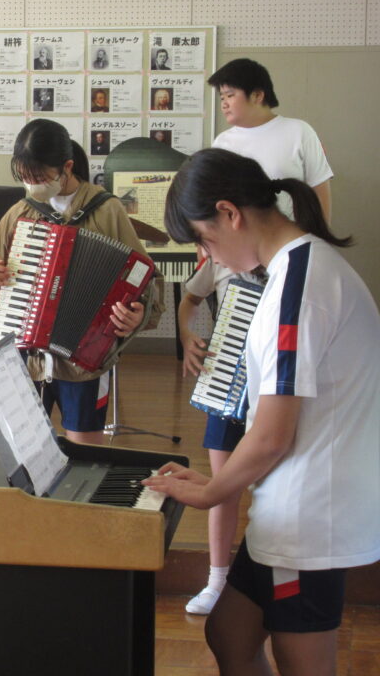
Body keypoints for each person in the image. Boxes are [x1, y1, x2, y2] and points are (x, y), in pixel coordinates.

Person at [146, 148, 379, 676]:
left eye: (204, 240)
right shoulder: (295, 268)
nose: (208, 256)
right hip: (291, 503)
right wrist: (216, 483)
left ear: (229, 214)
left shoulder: (299, 284)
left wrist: (211, 493)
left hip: (310, 514)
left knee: (302, 663)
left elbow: (274, 433)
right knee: (229, 633)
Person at [0, 119, 162, 445]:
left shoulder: (107, 210)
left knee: (86, 445)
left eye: (39, 177)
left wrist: (138, 313)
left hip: (86, 358)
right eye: (25, 177)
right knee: (27, 444)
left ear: (67, 167)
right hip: (25, 354)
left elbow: (146, 279)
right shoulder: (20, 213)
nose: (32, 185)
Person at [177, 252, 267, 616]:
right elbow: (190, 299)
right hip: (226, 380)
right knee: (223, 484)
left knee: (273, 488)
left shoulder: (286, 258)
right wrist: (186, 336)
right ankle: (217, 580)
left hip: (273, 383)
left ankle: (267, 577)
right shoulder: (218, 258)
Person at [208, 58, 333, 221]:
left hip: (293, 234)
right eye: (222, 98)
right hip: (240, 236)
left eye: (230, 95)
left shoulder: (300, 131)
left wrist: (319, 234)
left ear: (257, 95)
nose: (224, 104)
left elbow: (320, 191)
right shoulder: (222, 143)